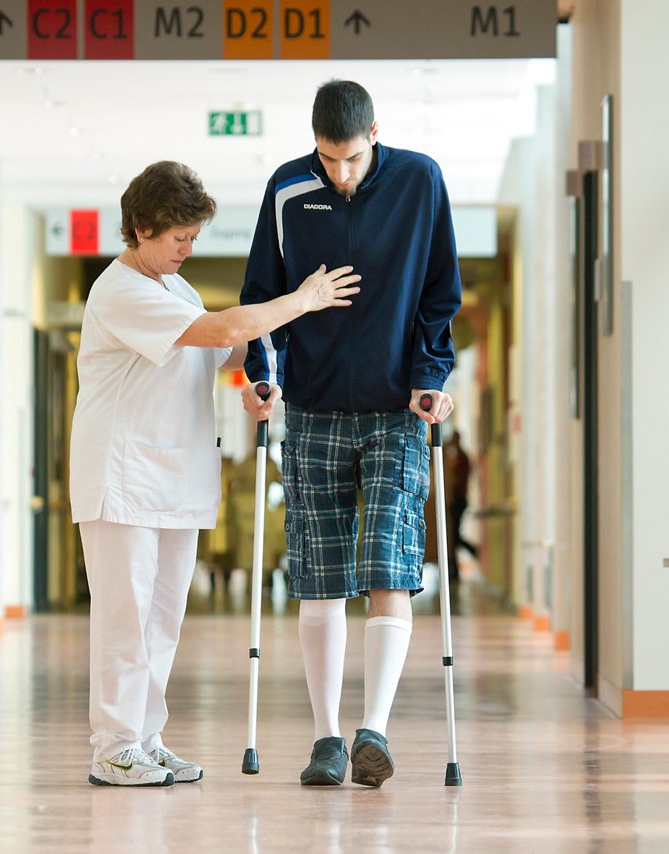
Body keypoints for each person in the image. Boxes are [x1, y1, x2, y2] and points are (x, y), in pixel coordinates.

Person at [69, 161, 361, 787]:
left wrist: (257, 380)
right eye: (179, 236)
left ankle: (145, 739)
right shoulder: (119, 289)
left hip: (174, 478)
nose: (187, 248)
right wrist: (301, 299)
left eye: (194, 237)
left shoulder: (180, 292)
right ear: (141, 228)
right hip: (121, 482)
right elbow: (227, 327)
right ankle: (113, 745)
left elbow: (227, 346)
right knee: (126, 620)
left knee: (163, 620)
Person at [240, 81, 462, 788]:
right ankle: (327, 738)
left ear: (376, 133)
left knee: (388, 564)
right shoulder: (286, 188)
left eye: (353, 158)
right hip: (310, 407)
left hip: (398, 409)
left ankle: (376, 729)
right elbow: (260, 297)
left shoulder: (420, 181)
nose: (340, 173)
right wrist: (261, 372)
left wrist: (431, 374)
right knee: (321, 572)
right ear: (315, 142)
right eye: (328, 159)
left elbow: (438, 294)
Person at [443, 430, 479, 582]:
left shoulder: (461, 458)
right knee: (452, 536)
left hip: (459, 500)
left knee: (453, 536)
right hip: (457, 499)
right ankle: (454, 569)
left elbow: (457, 479)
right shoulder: (457, 456)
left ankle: (474, 551)